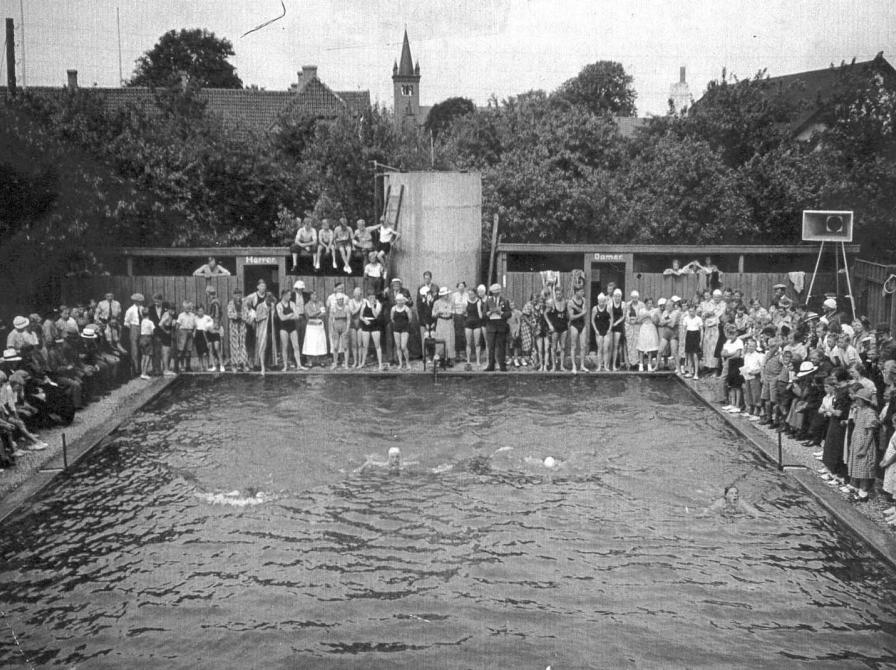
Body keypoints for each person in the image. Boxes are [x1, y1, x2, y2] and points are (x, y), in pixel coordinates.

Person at [846, 386, 879, 501]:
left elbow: (870, 433)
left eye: (858, 399)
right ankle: (857, 487)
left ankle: (863, 491)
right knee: (857, 465)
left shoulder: (870, 413)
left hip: (865, 441)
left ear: (865, 400)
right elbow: (856, 423)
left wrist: (865, 448)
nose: (856, 401)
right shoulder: (859, 410)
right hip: (857, 439)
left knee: (864, 467)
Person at [484, 283, 511, 372]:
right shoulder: (488, 301)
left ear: (499, 292)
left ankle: (502, 365)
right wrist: (487, 314)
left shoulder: (505, 300)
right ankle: (491, 365)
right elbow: (483, 314)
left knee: (501, 347)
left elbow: (509, 313)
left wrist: (502, 313)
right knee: (491, 347)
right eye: (493, 292)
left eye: (496, 292)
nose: (495, 293)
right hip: (491, 327)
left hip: (501, 326)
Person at [275, 289, 304, 371]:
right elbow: (282, 318)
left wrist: (288, 316)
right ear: (284, 295)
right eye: (289, 295)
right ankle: (285, 366)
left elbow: (297, 316)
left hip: (292, 327)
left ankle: (299, 365)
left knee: (296, 346)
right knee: (285, 347)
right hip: (283, 328)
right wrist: (291, 314)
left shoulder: (292, 303)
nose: (290, 296)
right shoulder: (279, 305)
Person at [359, 290, 384, 370]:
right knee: (365, 346)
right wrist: (365, 320)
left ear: (375, 297)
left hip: (375, 324)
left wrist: (373, 306)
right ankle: (362, 363)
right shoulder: (364, 304)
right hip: (366, 325)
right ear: (368, 297)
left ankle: (380, 364)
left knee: (377, 345)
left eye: (373, 296)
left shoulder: (378, 304)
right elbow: (361, 316)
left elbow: (376, 315)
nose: (371, 298)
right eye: (370, 296)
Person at [227, 289, 251, 372]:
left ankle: (243, 364)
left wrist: (241, 316)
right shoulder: (231, 303)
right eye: (236, 295)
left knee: (242, 345)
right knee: (234, 345)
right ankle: (234, 365)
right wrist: (237, 315)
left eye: (239, 295)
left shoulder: (244, 304)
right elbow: (229, 314)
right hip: (234, 327)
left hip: (242, 326)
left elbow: (246, 314)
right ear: (233, 295)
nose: (238, 297)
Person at [302, 290, 328, 366]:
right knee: (310, 343)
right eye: (313, 295)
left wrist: (316, 315)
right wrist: (318, 311)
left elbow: (324, 313)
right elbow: (310, 314)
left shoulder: (321, 303)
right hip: (311, 327)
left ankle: (321, 361)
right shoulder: (307, 305)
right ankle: (309, 361)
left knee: (320, 342)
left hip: (319, 325)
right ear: (310, 296)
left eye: (316, 295)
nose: (315, 296)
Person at [546, 287, 569, 372]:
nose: (558, 296)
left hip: (564, 327)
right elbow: (545, 314)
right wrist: (549, 324)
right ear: (555, 294)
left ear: (562, 294)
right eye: (557, 294)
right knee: (554, 347)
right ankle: (554, 366)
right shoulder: (552, 303)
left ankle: (562, 366)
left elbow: (568, 314)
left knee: (563, 347)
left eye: (560, 294)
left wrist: (568, 322)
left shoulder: (566, 302)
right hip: (555, 327)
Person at [432, 286, 456, 367]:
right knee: (440, 339)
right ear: (442, 295)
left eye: (447, 294)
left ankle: (449, 359)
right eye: (445, 294)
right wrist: (438, 312)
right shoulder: (437, 303)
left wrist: (451, 312)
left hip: (449, 321)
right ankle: (440, 358)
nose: (447, 296)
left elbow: (454, 311)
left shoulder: (451, 302)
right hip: (441, 322)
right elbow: (433, 314)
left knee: (450, 340)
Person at [567, 286, 588, 373]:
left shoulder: (584, 300)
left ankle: (582, 365)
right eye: (581, 291)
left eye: (583, 291)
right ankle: (574, 366)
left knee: (583, 346)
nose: (583, 293)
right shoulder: (570, 302)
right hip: (574, 325)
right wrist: (581, 312)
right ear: (576, 292)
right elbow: (571, 317)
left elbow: (585, 312)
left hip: (582, 324)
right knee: (574, 346)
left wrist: (575, 308)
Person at [123, 293, 143, 377]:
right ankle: (136, 369)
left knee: (141, 348)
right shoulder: (130, 310)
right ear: (134, 301)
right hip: (133, 328)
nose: (138, 302)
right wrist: (132, 328)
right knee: (134, 349)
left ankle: (141, 368)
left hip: (142, 327)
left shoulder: (142, 308)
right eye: (137, 301)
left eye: (140, 301)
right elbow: (126, 322)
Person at [390, 293, 412, 370]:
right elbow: (392, 319)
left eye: (401, 300)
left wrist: (404, 324)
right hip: (396, 328)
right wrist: (397, 324)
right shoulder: (393, 309)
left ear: (403, 301)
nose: (399, 302)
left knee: (403, 346)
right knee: (398, 346)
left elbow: (410, 319)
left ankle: (407, 362)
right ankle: (400, 363)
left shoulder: (407, 309)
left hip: (405, 328)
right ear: (396, 301)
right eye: (398, 300)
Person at [637, 297, 660, 372]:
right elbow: (639, 321)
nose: (650, 304)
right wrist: (645, 316)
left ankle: (649, 364)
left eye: (651, 303)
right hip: (644, 328)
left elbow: (655, 321)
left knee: (650, 347)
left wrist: (650, 316)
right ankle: (641, 364)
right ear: (645, 304)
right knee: (642, 347)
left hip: (651, 328)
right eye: (648, 303)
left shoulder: (654, 311)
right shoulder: (641, 310)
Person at [329, 294, 351, 369]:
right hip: (336, 327)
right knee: (335, 347)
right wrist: (331, 330)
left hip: (344, 326)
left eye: (342, 299)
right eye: (339, 299)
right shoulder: (333, 308)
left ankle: (346, 364)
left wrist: (347, 329)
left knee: (345, 346)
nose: (340, 300)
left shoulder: (346, 308)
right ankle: (335, 363)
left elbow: (348, 319)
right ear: (336, 300)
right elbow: (330, 319)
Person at [681, 302, 703, 378]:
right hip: (689, 336)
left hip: (696, 336)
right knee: (689, 355)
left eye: (693, 311)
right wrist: (684, 340)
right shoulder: (686, 318)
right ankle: (690, 372)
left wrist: (701, 341)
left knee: (695, 356)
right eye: (690, 311)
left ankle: (696, 373)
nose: (691, 313)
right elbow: (684, 330)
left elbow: (701, 330)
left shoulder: (698, 319)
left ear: (695, 311)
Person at [464, 287, 484, 370]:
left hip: (477, 323)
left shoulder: (479, 301)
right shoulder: (466, 301)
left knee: (477, 343)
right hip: (468, 323)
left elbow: (480, 315)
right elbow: (464, 312)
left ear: (475, 294)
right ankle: (468, 360)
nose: (470, 295)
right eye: (469, 294)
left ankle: (478, 361)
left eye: (472, 294)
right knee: (468, 343)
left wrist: (481, 314)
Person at [590, 293, 611, 372]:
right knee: (600, 349)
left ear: (605, 301)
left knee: (605, 349)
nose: (601, 303)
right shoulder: (595, 309)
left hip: (606, 330)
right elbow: (592, 320)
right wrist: (595, 330)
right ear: (598, 301)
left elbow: (611, 319)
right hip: (598, 330)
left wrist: (609, 329)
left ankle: (605, 366)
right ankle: (599, 366)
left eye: (603, 301)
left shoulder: (608, 308)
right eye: (600, 302)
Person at [174, 301, 196, 373]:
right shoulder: (181, 315)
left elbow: (195, 325)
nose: (188, 309)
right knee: (181, 349)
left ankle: (188, 367)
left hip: (190, 332)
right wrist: (177, 334)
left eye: (189, 307)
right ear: (184, 308)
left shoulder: (193, 315)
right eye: (186, 307)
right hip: (183, 332)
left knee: (188, 350)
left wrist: (194, 332)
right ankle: (178, 367)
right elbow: (177, 325)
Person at [205, 287, 224, 372]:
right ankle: (214, 365)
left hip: (214, 326)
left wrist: (216, 324)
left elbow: (216, 314)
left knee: (216, 347)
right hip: (211, 325)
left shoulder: (215, 302)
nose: (209, 295)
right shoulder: (214, 301)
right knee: (211, 348)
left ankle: (221, 365)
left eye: (209, 293)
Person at [609, 289, 626, 371]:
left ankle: (614, 365)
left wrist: (616, 323)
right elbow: (608, 314)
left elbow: (623, 316)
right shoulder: (610, 303)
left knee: (616, 346)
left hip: (618, 326)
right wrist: (610, 323)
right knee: (610, 345)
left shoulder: (623, 304)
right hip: (610, 325)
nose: (617, 298)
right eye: (616, 296)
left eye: (619, 296)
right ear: (613, 296)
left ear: (621, 297)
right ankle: (608, 364)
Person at [348, 287, 364, 369]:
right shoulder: (351, 301)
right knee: (354, 344)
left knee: (360, 344)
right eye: (356, 294)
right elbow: (353, 312)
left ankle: (360, 362)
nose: (358, 296)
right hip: (353, 324)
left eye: (359, 294)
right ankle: (355, 361)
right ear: (354, 294)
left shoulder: (364, 301)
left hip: (361, 324)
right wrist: (360, 306)